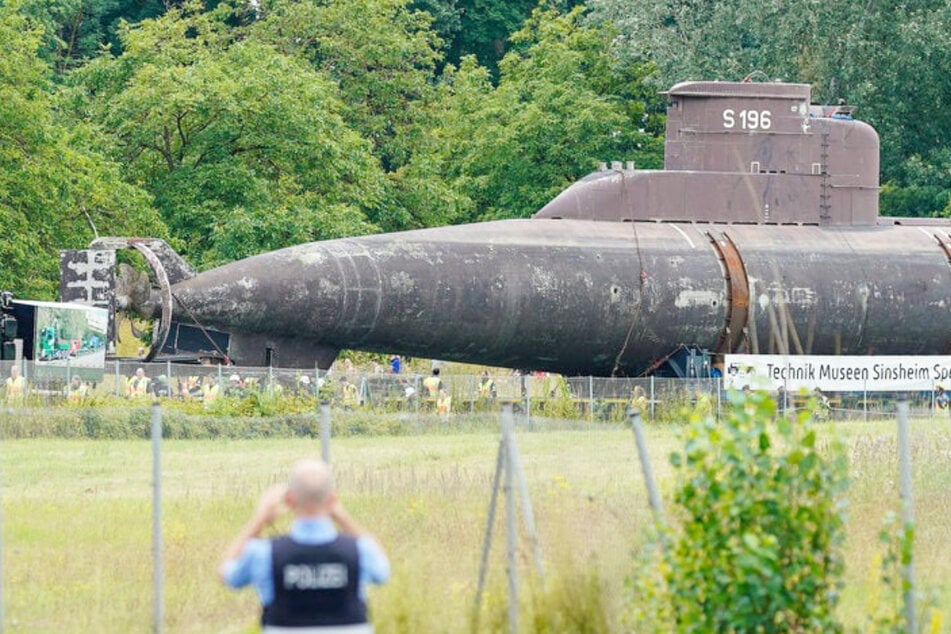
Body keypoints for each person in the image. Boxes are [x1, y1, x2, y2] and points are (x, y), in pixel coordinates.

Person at [219, 459, 390, 633]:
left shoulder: (264, 553)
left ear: (290, 500)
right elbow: (382, 571)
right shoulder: (359, 550)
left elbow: (227, 574)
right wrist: (341, 516)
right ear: (332, 499)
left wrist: (260, 519)